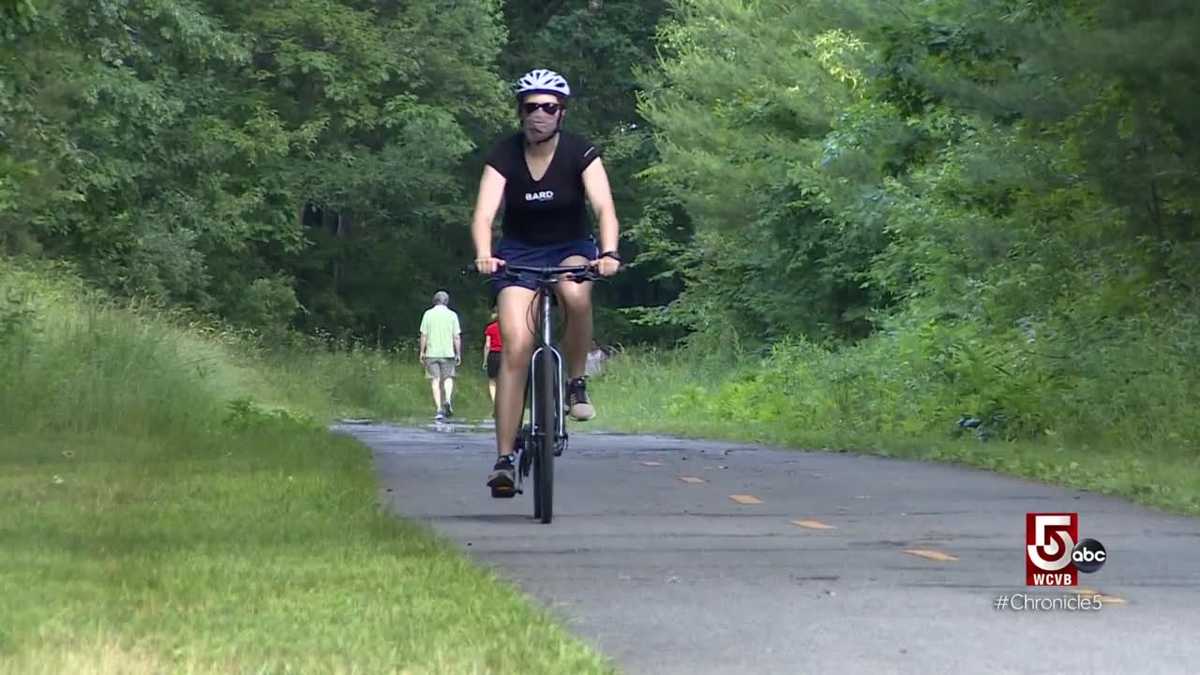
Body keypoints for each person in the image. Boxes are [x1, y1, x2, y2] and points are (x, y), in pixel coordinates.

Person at [470, 68, 621, 496]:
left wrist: (608, 254)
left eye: (548, 107)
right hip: (518, 254)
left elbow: (604, 207)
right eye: (530, 107)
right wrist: (485, 253)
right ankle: (504, 459)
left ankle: (575, 382)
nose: (539, 115)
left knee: (575, 292)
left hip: (571, 246)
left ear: (561, 113)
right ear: (520, 112)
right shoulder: (504, 155)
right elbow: (484, 214)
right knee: (516, 345)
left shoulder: (580, 152)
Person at [418, 290, 462, 421]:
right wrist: (458, 353)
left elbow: (424, 335)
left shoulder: (428, 314)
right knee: (448, 378)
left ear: (434, 301)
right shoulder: (452, 315)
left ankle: (438, 409)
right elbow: (456, 336)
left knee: (435, 380)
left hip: (432, 352)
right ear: (447, 301)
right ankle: (447, 400)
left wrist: (422, 351)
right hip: (448, 352)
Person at [482, 310, 502, 405]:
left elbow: (487, 345)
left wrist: (485, 360)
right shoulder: (509, 328)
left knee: (492, 380)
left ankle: (495, 403)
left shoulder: (490, 328)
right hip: (505, 355)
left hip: (493, 355)